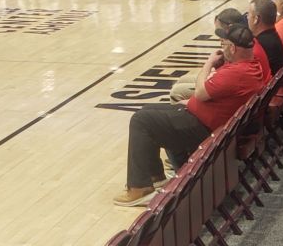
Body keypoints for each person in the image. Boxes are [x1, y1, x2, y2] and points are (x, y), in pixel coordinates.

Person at [113, 24, 264, 207]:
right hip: (215, 126)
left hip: (203, 130)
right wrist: (192, 103)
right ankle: (155, 177)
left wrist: (209, 63)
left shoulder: (236, 73)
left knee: (141, 121)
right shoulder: (251, 65)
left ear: (232, 48)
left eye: (223, 44)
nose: (221, 48)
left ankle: (139, 188)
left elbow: (200, 92)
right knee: (147, 111)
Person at [246, 0, 283, 75]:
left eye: (248, 14)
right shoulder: (272, 36)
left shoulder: (258, 46)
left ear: (256, 19)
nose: (247, 17)